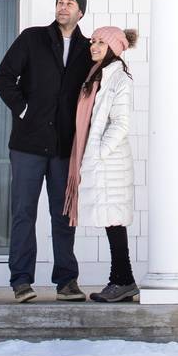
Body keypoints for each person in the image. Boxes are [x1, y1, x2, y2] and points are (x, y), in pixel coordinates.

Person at [0, 0, 93, 302]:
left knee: (63, 215)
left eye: (70, 3)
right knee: (24, 212)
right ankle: (21, 281)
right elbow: (4, 77)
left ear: (81, 12)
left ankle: (66, 282)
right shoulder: (32, 38)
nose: (63, 8)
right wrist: (25, 110)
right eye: (59, 2)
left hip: (64, 147)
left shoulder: (86, 48)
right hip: (27, 145)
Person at [66, 25, 140, 303]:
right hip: (102, 161)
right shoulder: (97, 75)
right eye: (93, 42)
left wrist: (98, 152)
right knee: (112, 222)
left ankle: (122, 281)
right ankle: (122, 280)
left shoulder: (119, 78)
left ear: (114, 48)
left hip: (111, 163)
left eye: (100, 43)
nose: (94, 46)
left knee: (114, 222)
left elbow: (121, 123)